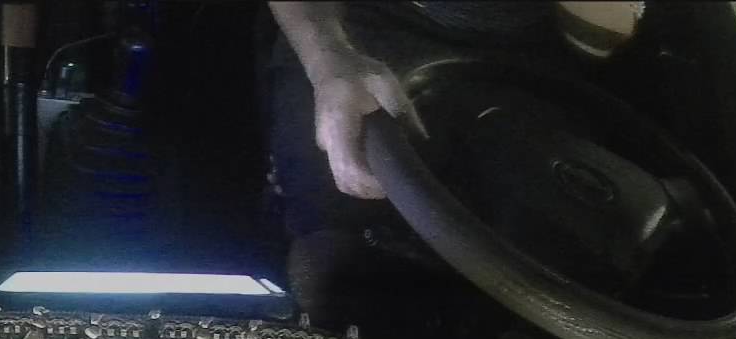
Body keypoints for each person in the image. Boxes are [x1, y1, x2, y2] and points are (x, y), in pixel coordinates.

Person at [267, 1, 644, 202]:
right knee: (328, 230)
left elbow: (596, 43)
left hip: (526, 54)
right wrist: (328, 61)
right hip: (357, 25)